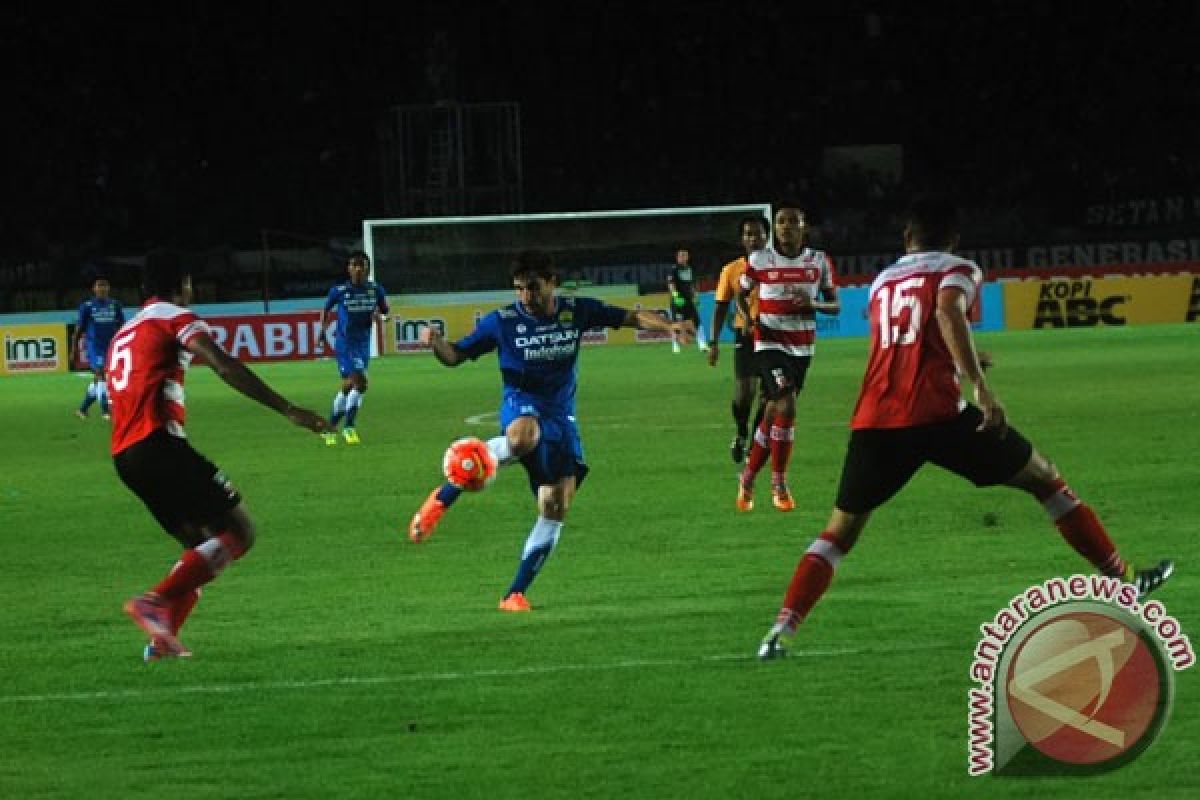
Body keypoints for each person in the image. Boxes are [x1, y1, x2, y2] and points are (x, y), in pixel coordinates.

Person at [757, 196, 1174, 660]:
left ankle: (779, 631)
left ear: (906, 238)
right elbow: (946, 312)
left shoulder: (882, 280)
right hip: (941, 417)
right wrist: (979, 383)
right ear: (953, 239)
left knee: (839, 532)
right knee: (1045, 479)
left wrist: (965, 358)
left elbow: (903, 340)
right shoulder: (958, 269)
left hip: (876, 421)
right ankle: (1123, 580)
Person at [408, 249, 694, 611]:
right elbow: (455, 356)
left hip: (561, 418)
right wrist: (435, 343)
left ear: (551, 283)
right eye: (519, 289)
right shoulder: (502, 321)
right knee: (523, 435)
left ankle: (514, 594)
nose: (526, 296)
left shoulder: (576, 311)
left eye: (532, 287)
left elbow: (631, 316)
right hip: (521, 404)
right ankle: (443, 496)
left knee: (555, 504)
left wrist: (668, 326)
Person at [109, 254, 326, 661]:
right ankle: (154, 601)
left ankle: (162, 643)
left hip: (126, 456)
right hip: (159, 444)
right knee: (240, 532)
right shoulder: (174, 318)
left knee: (204, 550)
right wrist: (288, 409)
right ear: (184, 283)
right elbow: (224, 366)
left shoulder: (125, 331)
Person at [734, 203, 840, 512]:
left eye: (793, 222)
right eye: (780, 222)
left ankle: (748, 477)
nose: (785, 227)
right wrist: (748, 319)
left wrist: (813, 304)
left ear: (804, 227)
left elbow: (836, 306)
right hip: (768, 342)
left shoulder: (818, 261)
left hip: (802, 348)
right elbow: (742, 294)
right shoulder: (761, 259)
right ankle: (779, 482)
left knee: (771, 414)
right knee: (787, 404)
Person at [708, 215, 770, 463]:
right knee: (745, 393)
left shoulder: (777, 266)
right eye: (748, 234)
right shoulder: (731, 270)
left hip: (774, 334)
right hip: (745, 334)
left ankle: (755, 440)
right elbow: (721, 307)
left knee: (770, 395)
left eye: (758, 233)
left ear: (767, 237)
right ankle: (742, 431)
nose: (754, 238)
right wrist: (713, 343)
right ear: (742, 239)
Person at [315, 251, 389, 445]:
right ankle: (349, 427)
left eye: (362, 265)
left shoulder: (376, 290)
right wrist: (321, 332)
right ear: (348, 269)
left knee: (349, 385)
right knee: (361, 382)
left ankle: (329, 428)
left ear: (368, 268)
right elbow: (325, 309)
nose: (358, 269)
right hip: (345, 344)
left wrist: (380, 316)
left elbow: (383, 310)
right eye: (354, 265)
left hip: (363, 343)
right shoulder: (338, 290)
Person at [72, 276, 125, 420]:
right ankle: (105, 411)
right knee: (101, 374)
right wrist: (74, 350)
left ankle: (82, 409)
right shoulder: (87, 306)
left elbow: (122, 326)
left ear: (108, 289)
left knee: (99, 379)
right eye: (99, 286)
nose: (102, 289)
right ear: (94, 289)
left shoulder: (115, 305)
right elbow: (78, 330)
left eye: (104, 286)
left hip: (112, 347)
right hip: (94, 347)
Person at [667, 248, 709, 353]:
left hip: (689, 301)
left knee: (697, 322)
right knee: (676, 323)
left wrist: (696, 296)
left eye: (684, 255)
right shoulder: (673, 269)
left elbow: (694, 285)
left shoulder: (691, 269)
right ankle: (675, 345)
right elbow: (671, 284)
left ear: (688, 257)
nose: (682, 257)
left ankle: (702, 344)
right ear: (677, 258)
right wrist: (676, 296)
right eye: (680, 256)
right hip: (678, 301)